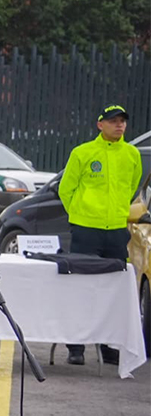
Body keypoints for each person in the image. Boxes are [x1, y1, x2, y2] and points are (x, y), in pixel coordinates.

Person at [59, 104, 143, 366]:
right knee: (81, 289)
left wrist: (116, 212)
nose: (119, 125)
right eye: (113, 121)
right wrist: (81, 215)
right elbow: (66, 189)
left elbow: (132, 186)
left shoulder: (131, 154)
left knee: (111, 292)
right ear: (100, 125)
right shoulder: (83, 152)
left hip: (116, 232)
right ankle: (76, 347)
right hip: (86, 231)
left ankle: (107, 346)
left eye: (122, 121)